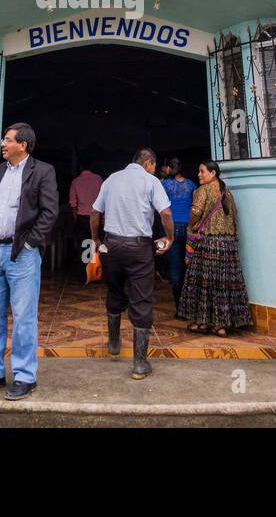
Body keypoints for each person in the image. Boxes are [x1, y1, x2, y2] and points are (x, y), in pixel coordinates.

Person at [0, 122, 58, 400]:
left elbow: (49, 212)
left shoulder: (43, 171)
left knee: (23, 317)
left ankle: (24, 376)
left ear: (23, 145)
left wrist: (31, 242)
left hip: (22, 254)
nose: (2, 144)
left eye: (8, 140)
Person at [90, 148, 174, 379]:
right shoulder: (151, 181)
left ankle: (114, 344)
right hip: (139, 248)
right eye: (154, 166)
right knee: (142, 299)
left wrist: (96, 240)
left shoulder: (111, 179)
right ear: (148, 163)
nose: (155, 170)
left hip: (112, 246)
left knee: (115, 291)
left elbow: (95, 213)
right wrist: (170, 237)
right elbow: (165, 214)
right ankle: (139, 364)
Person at [177, 159, 252, 336]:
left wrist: (190, 226)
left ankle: (201, 322)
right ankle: (221, 325)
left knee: (203, 285)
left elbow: (195, 212)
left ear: (213, 174)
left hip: (207, 245)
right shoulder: (227, 192)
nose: (199, 174)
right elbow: (234, 216)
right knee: (223, 286)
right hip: (227, 246)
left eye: (202, 171)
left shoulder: (202, 191)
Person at [159, 157, 196, 314]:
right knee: (190, 267)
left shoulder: (165, 184)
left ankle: (180, 308)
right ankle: (192, 306)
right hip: (189, 229)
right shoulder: (191, 184)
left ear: (168, 168)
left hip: (172, 230)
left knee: (175, 269)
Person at [68, 163, 104, 273]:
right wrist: (102, 218)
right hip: (96, 216)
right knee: (96, 244)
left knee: (84, 246)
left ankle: (84, 274)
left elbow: (73, 204)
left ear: (80, 167)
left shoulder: (75, 181)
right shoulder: (98, 179)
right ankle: (96, 273)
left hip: (82, 219)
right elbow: (103, 201)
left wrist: (76, 220)